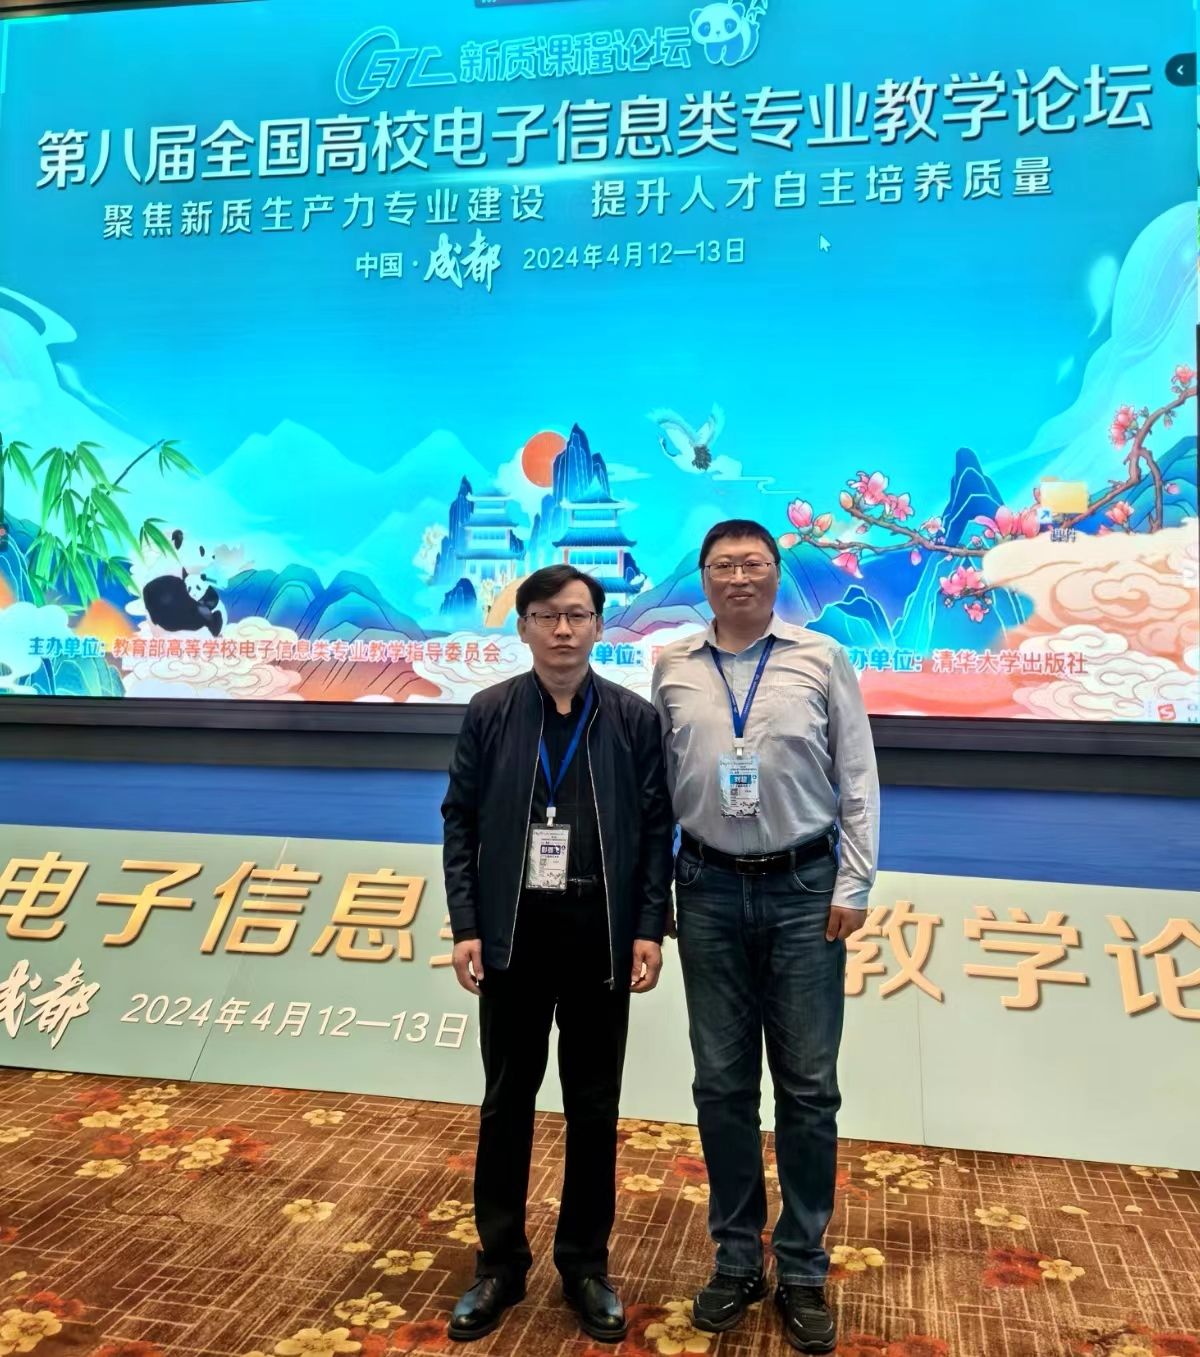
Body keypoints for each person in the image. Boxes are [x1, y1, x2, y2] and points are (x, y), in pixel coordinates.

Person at [651, 520, 879, 1356]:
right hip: (706, 886)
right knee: (720, 1084)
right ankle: (738, 1257)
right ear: (703, 577)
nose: (738, 576)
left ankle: (805, 1267)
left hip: (804, 889)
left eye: (753, 562)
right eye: (723, 565)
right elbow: (657, 786)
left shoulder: (822, 657)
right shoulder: (670, 664)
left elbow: (857, 775)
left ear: (777, 573)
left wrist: (854, 880)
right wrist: (656, 892)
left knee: (809, 1087)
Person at [441, 564, 674, 1345]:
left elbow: (657, 832)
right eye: (546, 615)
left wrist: (650, 926)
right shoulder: (490, 711)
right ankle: (499, 1262)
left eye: (577, 614)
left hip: (598, 937)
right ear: (524, 627)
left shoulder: (635, 720)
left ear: (599, 625)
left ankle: (584, 1264)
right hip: (513, 936)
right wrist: (467, 924)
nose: (563, 629)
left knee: (593, 1106)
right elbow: (459, 821)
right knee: (506, 1101)